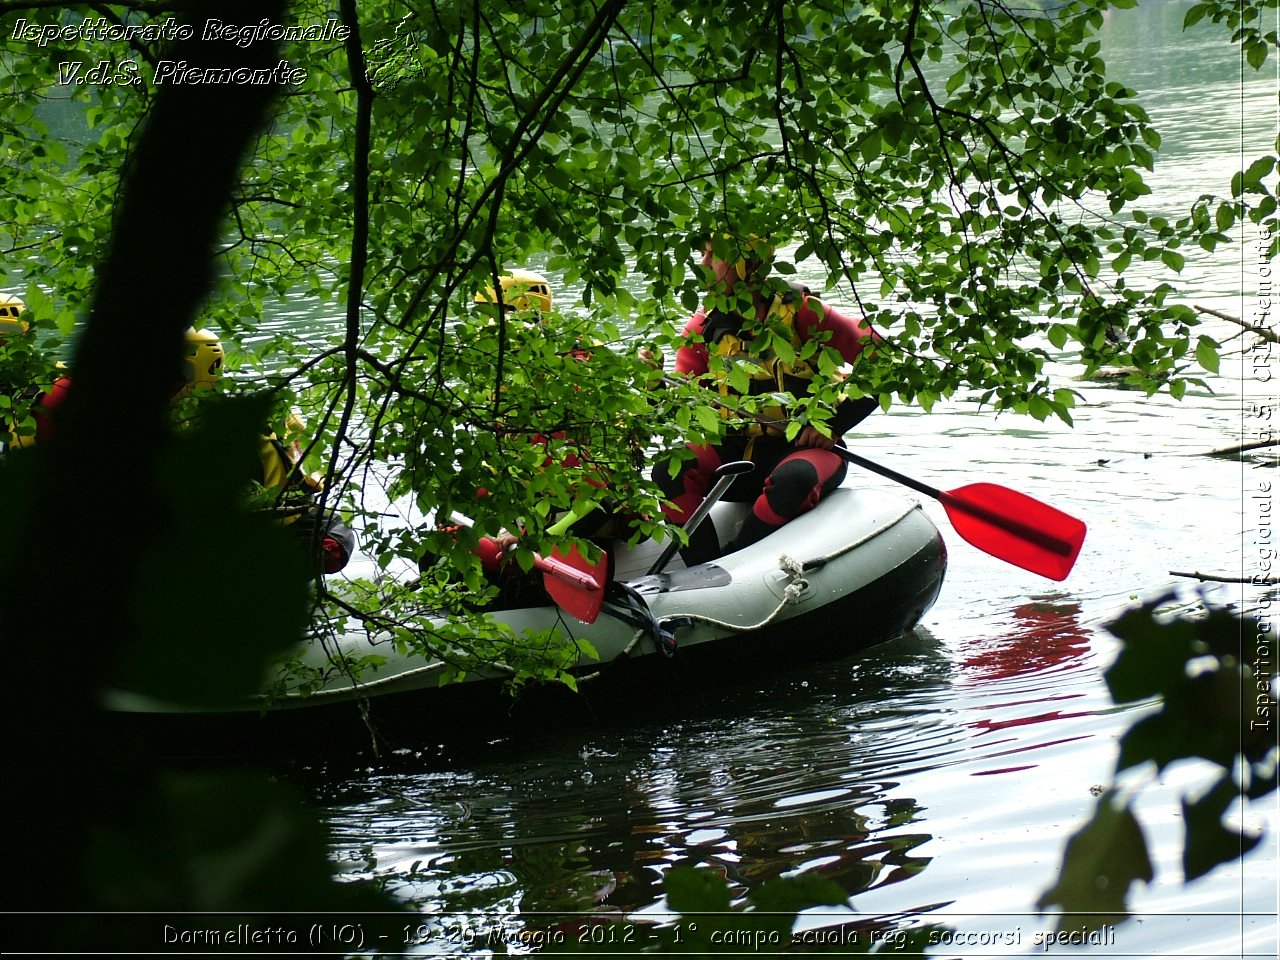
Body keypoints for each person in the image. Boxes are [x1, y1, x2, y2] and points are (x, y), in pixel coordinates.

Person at [652, 236, 882, 564]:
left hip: (801, 453)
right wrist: (655, 386)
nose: (704, 264)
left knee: (794, 479)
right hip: (732, 463)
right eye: (704, 253)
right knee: (667, 471)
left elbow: (883, 363)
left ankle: (736, 560)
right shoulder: (703, 328)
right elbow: (682, 408)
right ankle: (701, 570)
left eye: (714, 255)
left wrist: (833, 423)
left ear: (749, 262)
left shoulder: (804, 313)